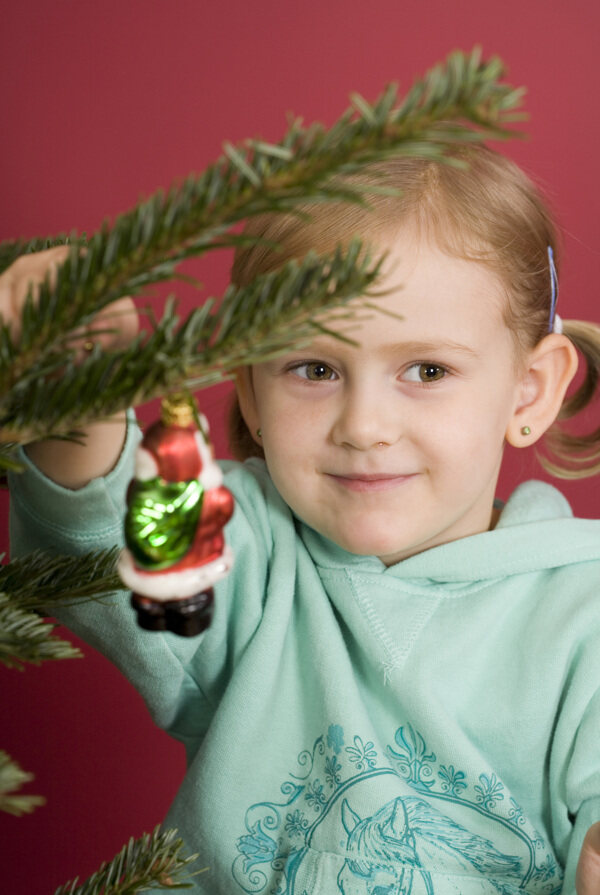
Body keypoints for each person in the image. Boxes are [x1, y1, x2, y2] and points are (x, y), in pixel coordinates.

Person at [5, 145, 600, 895]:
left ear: (529, 392)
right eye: (314, 369)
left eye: (427, 371)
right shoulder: (249, 546)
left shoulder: (584, 609)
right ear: (251, 390)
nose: (365, 425)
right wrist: (75, 396)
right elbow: (104, 535)